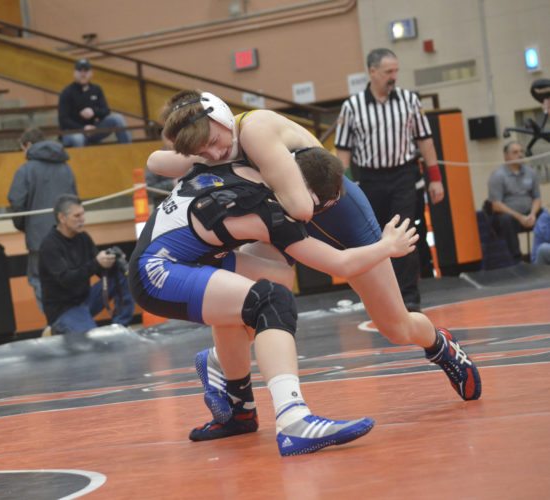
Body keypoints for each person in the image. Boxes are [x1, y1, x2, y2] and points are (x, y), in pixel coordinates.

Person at [146, 90, 481, 445]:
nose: (214, 154)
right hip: (284, 222)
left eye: (214, 142)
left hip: (335, 214)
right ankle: (238, 401)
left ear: (223, 117)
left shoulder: (255, 130)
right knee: (237, 293)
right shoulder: (215, 141)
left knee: (395, 326)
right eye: (204, 151)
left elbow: (302, 208)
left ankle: (440, 345)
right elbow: (155, 161)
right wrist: (197, 150)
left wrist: (217, 167)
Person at [130, 148, 420, 456]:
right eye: (316, 209)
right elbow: (341, 264)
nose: (309, 217)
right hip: (158, 271)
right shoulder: (266, 212)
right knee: (270, 300)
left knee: (277, 277)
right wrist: (388, 246)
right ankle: (293, 419)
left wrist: (203, 153)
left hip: (192, 253)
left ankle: (236, 402)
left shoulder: (242, 160)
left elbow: (155, 160)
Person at [334, 48, 445, 312]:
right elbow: (343, 150)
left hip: (403, 175)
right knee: (374, 238)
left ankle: (409, 296)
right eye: (388, 72)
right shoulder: (352, 106)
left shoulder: (409, 100)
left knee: (403, 232)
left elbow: (425, 141)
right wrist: (343, 186)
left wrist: (435, 178)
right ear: (372, 72)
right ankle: (383, 296)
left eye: (396, 71)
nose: (394, 76)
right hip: (370, 179)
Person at [39, 194, 134, 345]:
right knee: (92, 341)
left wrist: (112, 262)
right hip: (63, 309)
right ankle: (55, 329)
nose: (82, 219)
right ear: (62, 218)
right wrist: (96, 263)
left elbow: (99, 271)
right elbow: (67, 280)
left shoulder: (83, 238)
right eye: (77, 216)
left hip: (85, 299)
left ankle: (120, 325)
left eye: (83, 214)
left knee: (121, 274)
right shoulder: (49, 246)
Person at [7, 127, 78, 308]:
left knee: (39, 279)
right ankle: (71, 319)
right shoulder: (66, 167)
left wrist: (24, 226)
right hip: (67, 235)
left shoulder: (25, 170)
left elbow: (17, 203)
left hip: (39, 238)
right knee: (68, 278)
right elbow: (75, 201)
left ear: (28, 145)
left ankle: (55, 320)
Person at [487, 141, 542, 263]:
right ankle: (516, 259)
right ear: (506, 156)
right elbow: (496, 205)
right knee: (506, 220)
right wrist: (520, 217)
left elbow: (537, 198)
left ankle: (543, 253)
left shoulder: (531, 172)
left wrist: (533, 214)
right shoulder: (498, 175)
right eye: (515, 152)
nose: (520, 155)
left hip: (529, 213)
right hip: (510, 215)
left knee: (545, 216)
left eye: (521, 151)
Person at [58, 58, 132, 148]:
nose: (83, 74)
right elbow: (63, 120)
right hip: (73, 131)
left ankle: (128, 150)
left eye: (86, 71)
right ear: (74, 73)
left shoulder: (96, 89)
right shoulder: (67, 92)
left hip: (93, 130)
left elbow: (106, 110)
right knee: (78, 138)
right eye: (80, 71)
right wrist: (83, 128)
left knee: (117, 118)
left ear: (91, 73)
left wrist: (94, 112)